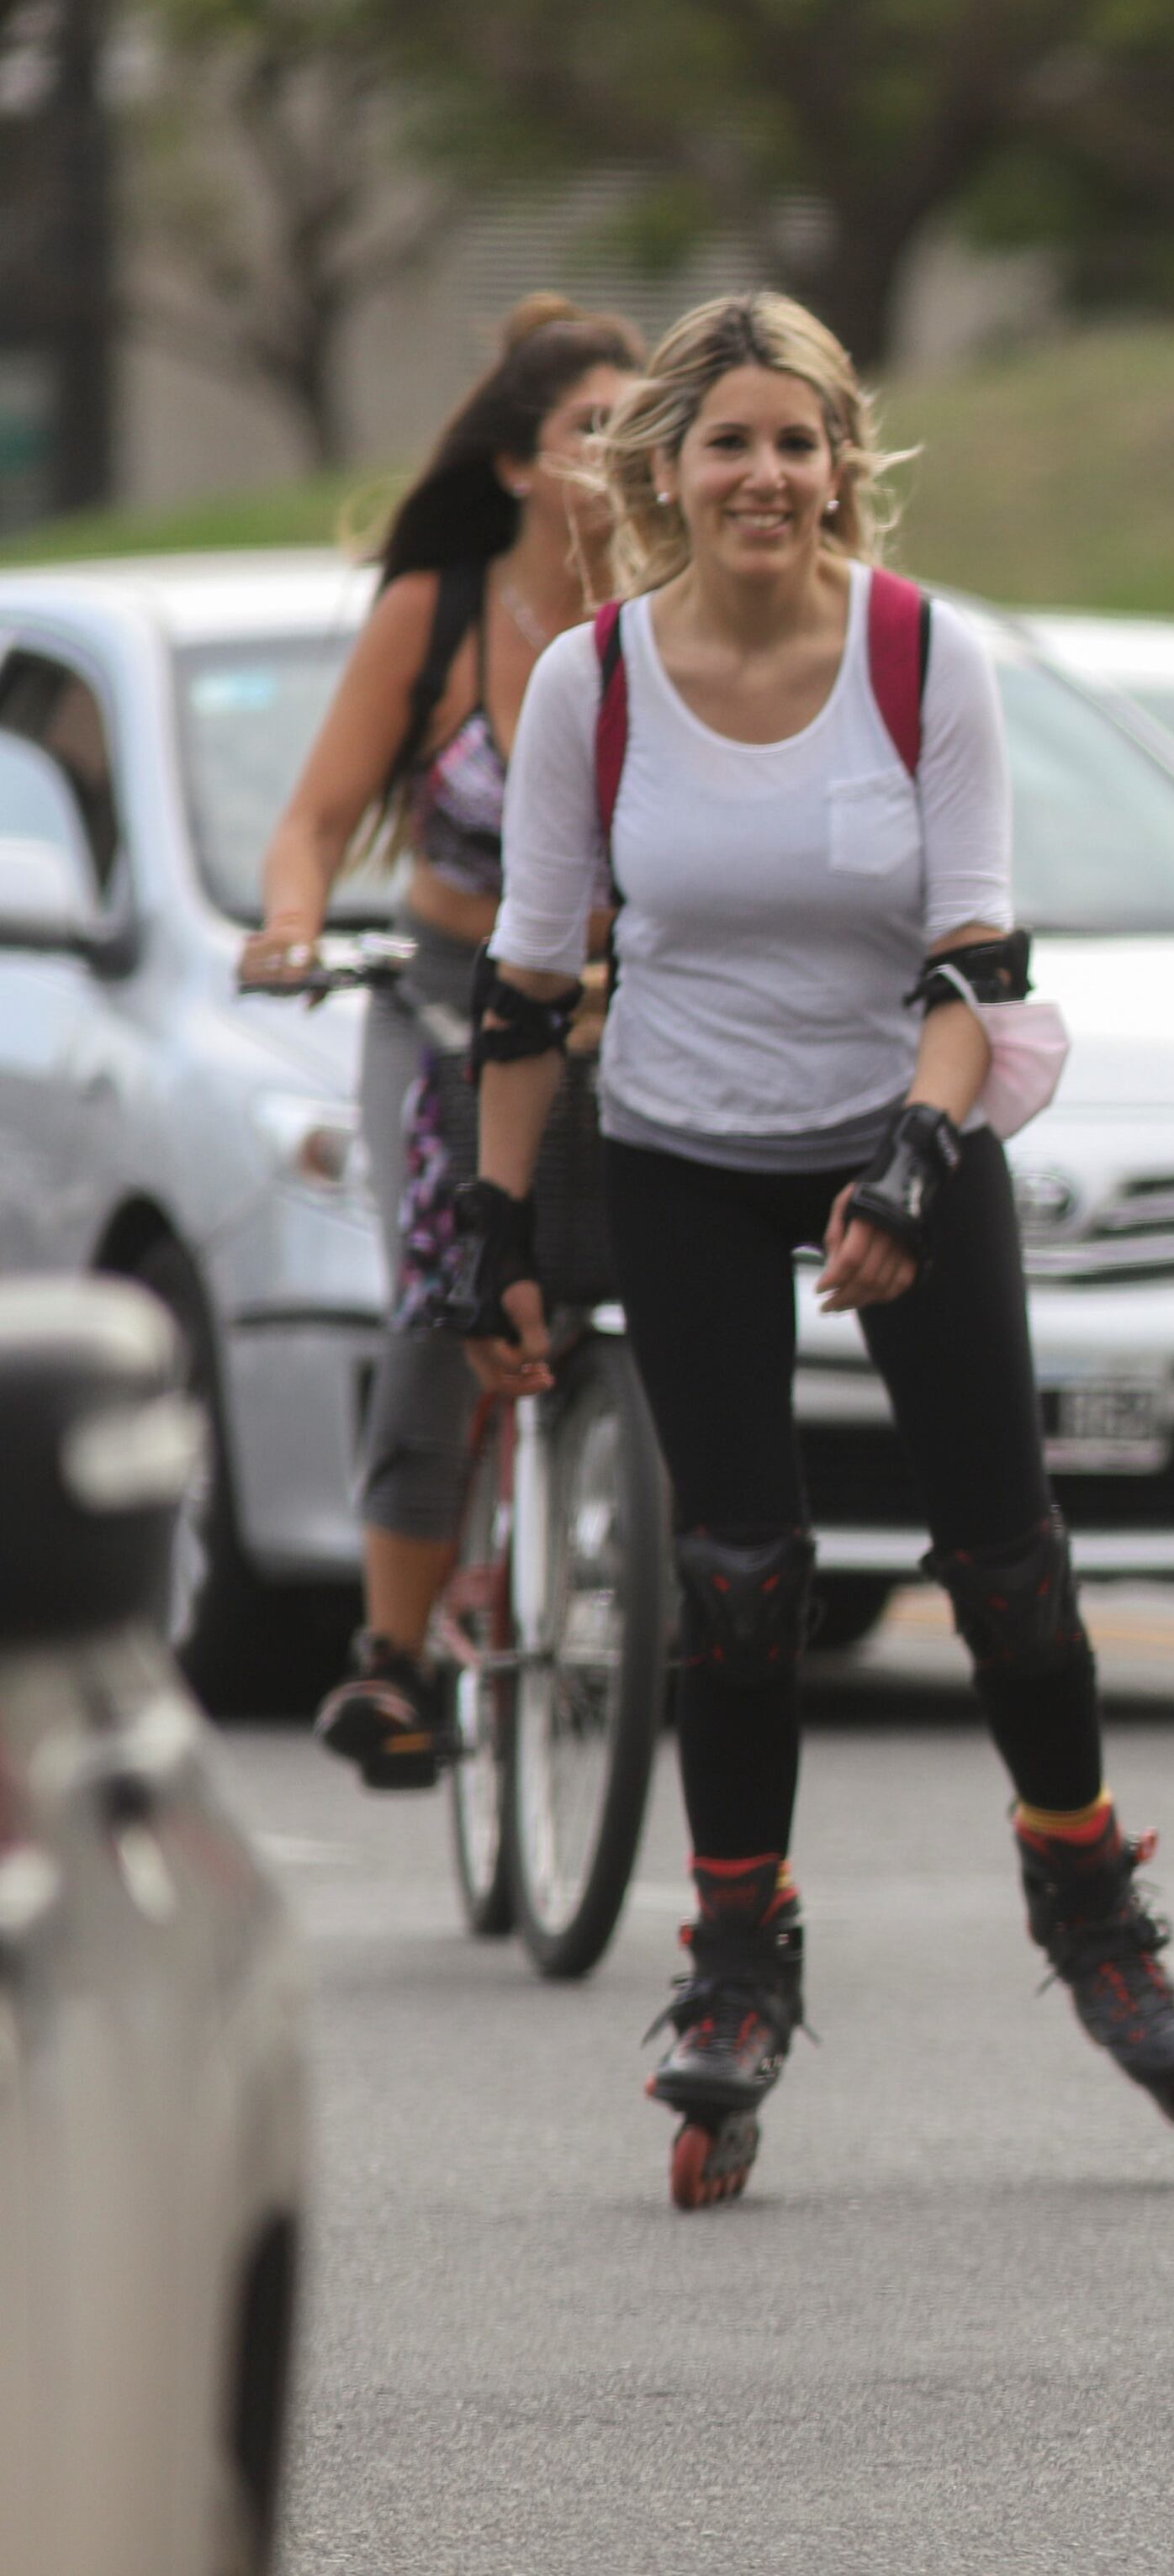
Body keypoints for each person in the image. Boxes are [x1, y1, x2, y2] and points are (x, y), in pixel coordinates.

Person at [452, 293, 1174, 2209]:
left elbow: (978, 959)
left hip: (910, 1127)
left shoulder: (918, 655)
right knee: (738, 1574)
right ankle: (735, 1963)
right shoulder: (596, 684)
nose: (767, 479)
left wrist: (907, 1162)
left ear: (842, 464)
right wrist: (495, 1233)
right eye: (729, 445)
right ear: (668, 475)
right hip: (691, 1150)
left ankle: (1088, 1893)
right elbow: (532, 979)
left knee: (1008, 1569)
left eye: (798, 445)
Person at [240, 295, 641, 1788]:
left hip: (634, 994)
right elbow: (319, 817)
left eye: (637, 430)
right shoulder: (444, 608)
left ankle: (683, 1568)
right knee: (441, 1293)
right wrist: (292, 919)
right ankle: (394, 1659)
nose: (620, 459)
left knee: (693, 1269)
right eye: (590, 430)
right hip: (451, 990)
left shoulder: (682, 609)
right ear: (523, 465)